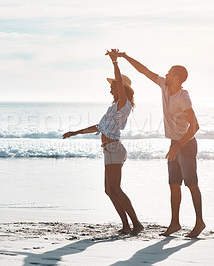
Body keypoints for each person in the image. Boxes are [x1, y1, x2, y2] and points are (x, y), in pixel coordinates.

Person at [113, 49, 205, 238]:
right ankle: (175, 223)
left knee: (191, 184)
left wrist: (179, 145)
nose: (166, 74)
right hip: (174, 143)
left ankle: (199, 222)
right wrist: (124, 57)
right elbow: (144, 71)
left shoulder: (183, 97)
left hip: (186, 145)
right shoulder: (164, 86)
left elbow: (195, 126)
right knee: (173, 184)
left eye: (170, 72)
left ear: (177, 78)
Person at [62, 50, 144, 236]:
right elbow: (98, 127)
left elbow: (121, 89)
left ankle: (136, 224)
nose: (110, 89)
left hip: (115, 148)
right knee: (109, 190)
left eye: (113, 86)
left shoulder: (124, 104)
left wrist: (115, 62)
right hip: (109, 149)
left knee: (115, 189)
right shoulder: (113, 107)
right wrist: (75, 132)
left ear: (121, 87)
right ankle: (126, 225)